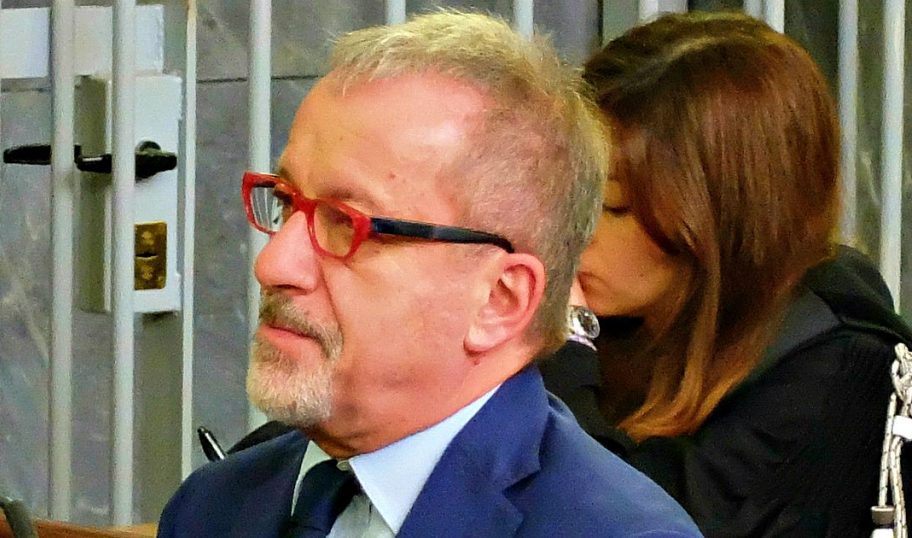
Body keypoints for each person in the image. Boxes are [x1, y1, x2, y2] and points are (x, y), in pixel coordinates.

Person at [157, 10, 700, 538]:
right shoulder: (214, 506)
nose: (273, 264)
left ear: (499, 300)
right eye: (285, 202)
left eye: (347, 225)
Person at [542, 11, 912, 537]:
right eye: (566, 194)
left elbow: (639, 524)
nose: (570, 229)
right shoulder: (634, 322)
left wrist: (566, 343)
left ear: (719, 220)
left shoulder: (835, 378)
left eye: (611, 206)